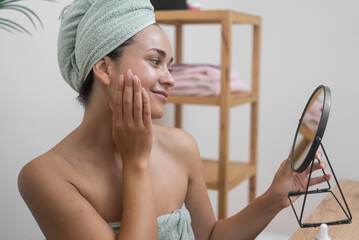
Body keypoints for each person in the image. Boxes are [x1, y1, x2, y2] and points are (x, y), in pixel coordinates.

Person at [17, 0, 330, 239]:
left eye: (170, 66)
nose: (170, 79)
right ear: (104, 68)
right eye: (156, 61)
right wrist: (136, 163)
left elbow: (209, 236)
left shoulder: (181, 147)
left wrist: (274, 199)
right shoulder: (45, 177)